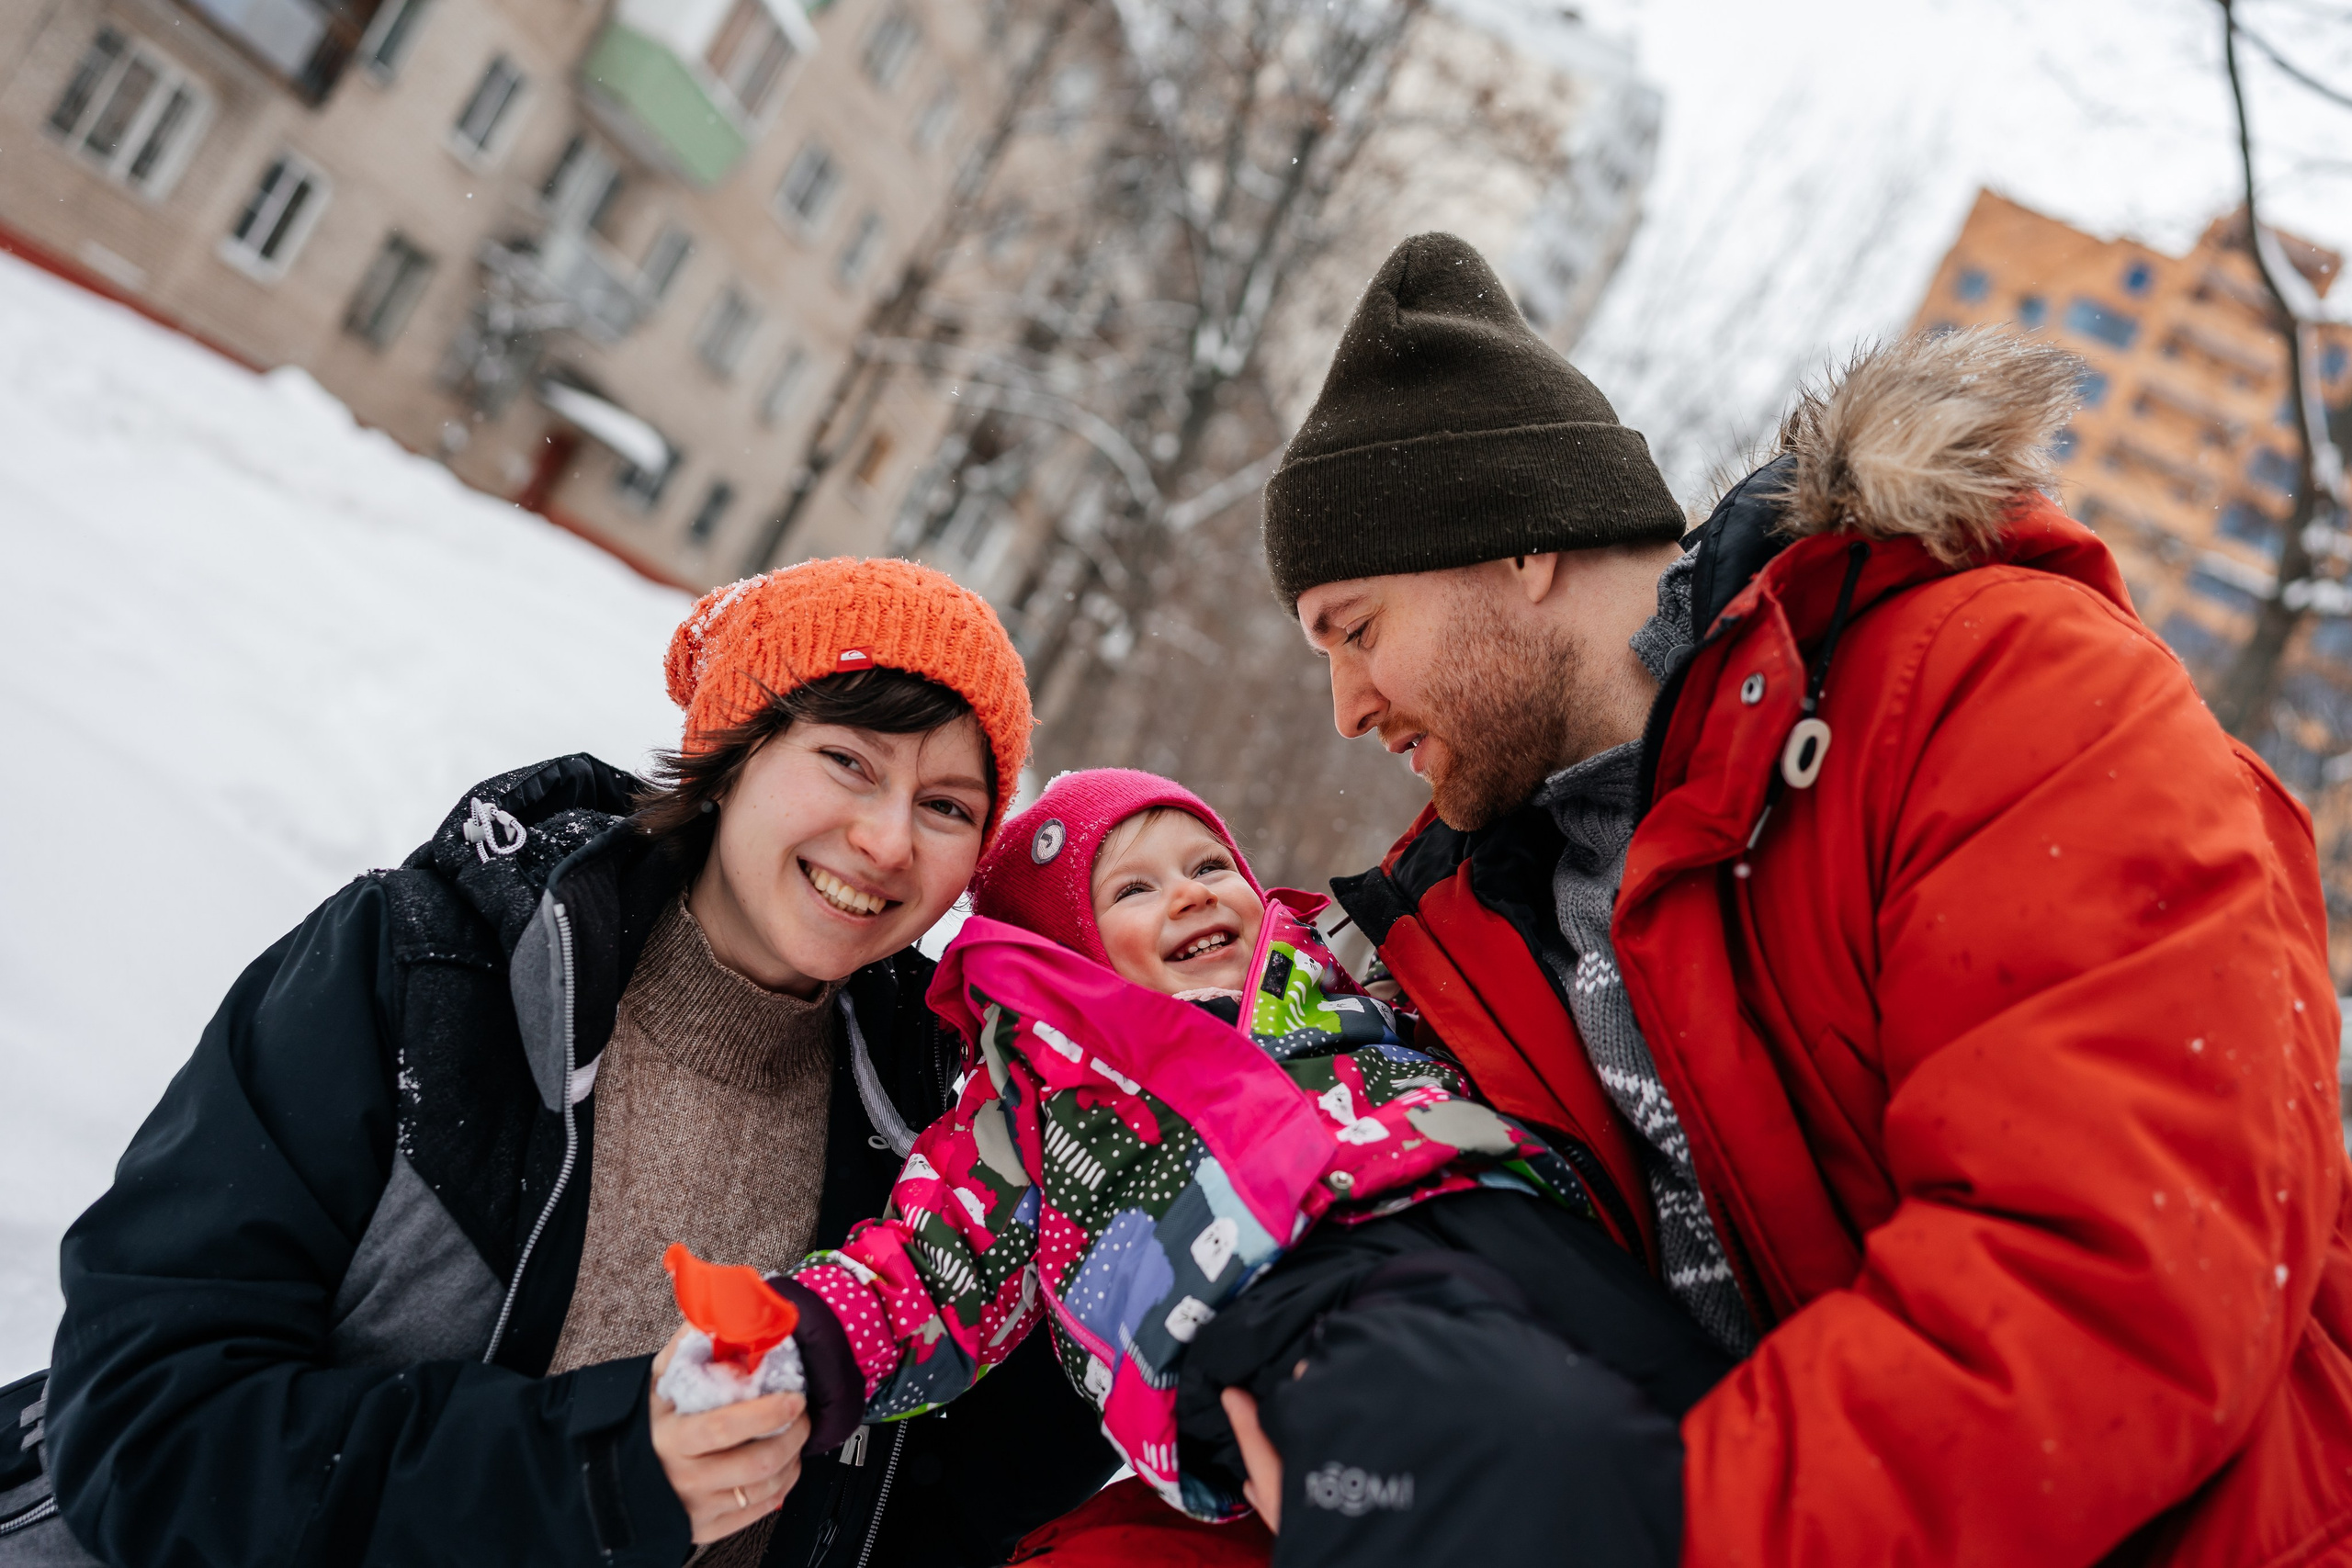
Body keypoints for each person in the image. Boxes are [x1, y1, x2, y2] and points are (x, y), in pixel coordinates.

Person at [1252, 230, 2352, 1566]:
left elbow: (2113, 1268)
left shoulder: (1994, 689)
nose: (1347, 706)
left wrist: (1656, 1524)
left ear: (1519, 546)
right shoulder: (1460, 941)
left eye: (1355, 629)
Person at [21, 558, 1116, 1568]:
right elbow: (145, 1423)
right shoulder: (429, 974)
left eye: (945, 808)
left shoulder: (935, 1123)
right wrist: (594, 1473)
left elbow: (940, 1511)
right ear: (733, 756)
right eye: (846, 761)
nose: (887, 842)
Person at [743, 768, 1727, 1567]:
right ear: (1060, 959)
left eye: (1211, 863)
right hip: (1273, 1304)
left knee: (1713, 1442)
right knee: (1494, 1456)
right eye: (1133, 888)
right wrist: (798, 1344)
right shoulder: (1039, 1100)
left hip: (1512, 1228)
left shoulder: (1343, 989)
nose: (1192, 892)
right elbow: (930, 1268)